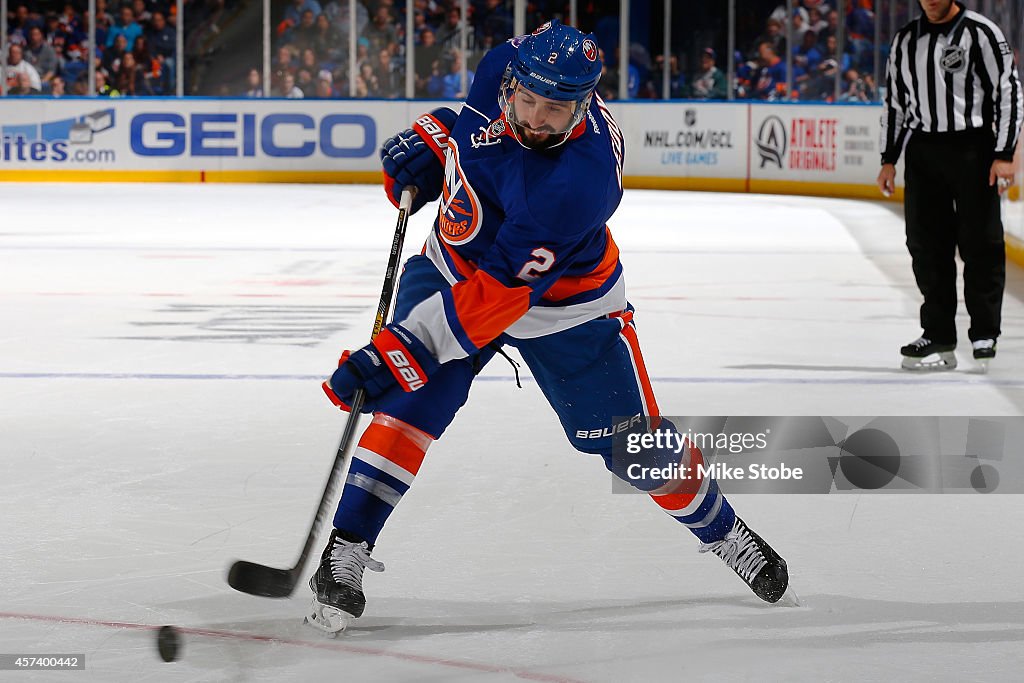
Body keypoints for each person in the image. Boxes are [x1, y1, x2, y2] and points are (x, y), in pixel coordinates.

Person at [306, 20, 792, 634]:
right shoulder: (501, 69)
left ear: (584, 105)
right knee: (414, 404)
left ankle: (725, 533)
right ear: (513, 80)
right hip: (452, 268)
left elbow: (497, 300)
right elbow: (464, 125)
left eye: (556, 110)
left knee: (629, 445)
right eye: (528, 100)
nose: (536, 119)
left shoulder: (577, 182)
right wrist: (432, 145)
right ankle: (346, 546)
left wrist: (395, 352)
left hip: (565, 309)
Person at [877, 0, 1022, 372]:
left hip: (973, 149)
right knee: (925, 246)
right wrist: (888, 158)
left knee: (981, 242)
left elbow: (1008, 92)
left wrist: (1004, 152)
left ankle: (984, 332)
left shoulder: (982, 32)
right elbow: (894, 101)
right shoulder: (906, 39)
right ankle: (938, 333)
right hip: (924, 150)